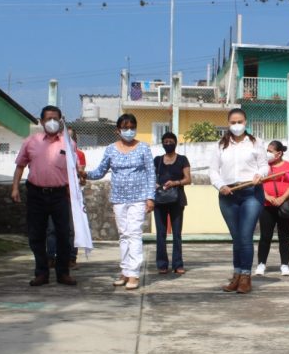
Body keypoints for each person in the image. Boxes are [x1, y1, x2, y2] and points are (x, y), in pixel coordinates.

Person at [81, 114, 155, 290]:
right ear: (118, 130)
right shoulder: (111, 149)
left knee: (134, 234)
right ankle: (125, 271)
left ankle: (134, 274)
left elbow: (151, 174)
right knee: (123, 235)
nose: (129, 131)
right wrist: (85, 174)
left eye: (132, 127)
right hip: (119, 198)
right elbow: (100, 171)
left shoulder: (144, 148)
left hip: (138, 198)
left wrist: (150, 197)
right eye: (125, 128)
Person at [12, 105, 77, 287]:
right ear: (41, 121)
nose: (52, 122)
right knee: (36, 235)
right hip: (36, 193)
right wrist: (15, 188)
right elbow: (20, 166)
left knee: (64, 234)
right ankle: (41, 273)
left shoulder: (69, 143)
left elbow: (74, 169)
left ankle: (63, 273)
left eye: (56, 118)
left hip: (60, 195)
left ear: (61, 120)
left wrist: (76, 186)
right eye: (48, 119)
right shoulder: (30, 142)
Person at [209, 108, 269, 294]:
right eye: (233, 122)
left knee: (245, 236)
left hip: (251, 192)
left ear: (246, 122)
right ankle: (236, 275)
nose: (237, 125)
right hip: (228, 194)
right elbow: (213, 171)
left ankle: (245, 277)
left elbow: (264, 166)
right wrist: (220, 185)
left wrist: (260, 175)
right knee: (236, 238)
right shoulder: (220, 145)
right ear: (228, 124)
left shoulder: (256, 143)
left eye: (240, 122)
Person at [46, 127, 86, 270]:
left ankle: (71, 258)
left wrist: (81, 178)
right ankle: (51, 258)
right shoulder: (51, 153)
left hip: (71, 197)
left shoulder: (79, 154)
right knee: (51, 229)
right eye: (64, 136)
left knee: (71, 229)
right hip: (54, 195)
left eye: (70, 137)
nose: (66, 140)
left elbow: (81, 176)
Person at [153, 132, 191, 275]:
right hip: (159, 201)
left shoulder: (182, 159)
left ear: (175, 143)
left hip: (177, 200)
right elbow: (150, 177)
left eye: (170, 141)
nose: (168, 144)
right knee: (160, 234)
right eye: (165, 142)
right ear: (162, 144)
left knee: (177, 234)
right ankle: (162, 264)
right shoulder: (157, 160)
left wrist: (175, 183)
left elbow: (188, 179)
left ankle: (178, 264)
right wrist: (155, 184)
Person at [256, 140, 289, 276]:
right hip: (266, 206)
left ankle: (285, 265)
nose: (267, 153)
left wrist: (282, 198)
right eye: (266, 151)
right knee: (265, 236)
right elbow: (257, 183)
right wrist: (267, 196)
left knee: (284, 236)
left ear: (278, 154)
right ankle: (261, 264)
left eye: (270, 151)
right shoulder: (263, 167)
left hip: (284, 206)